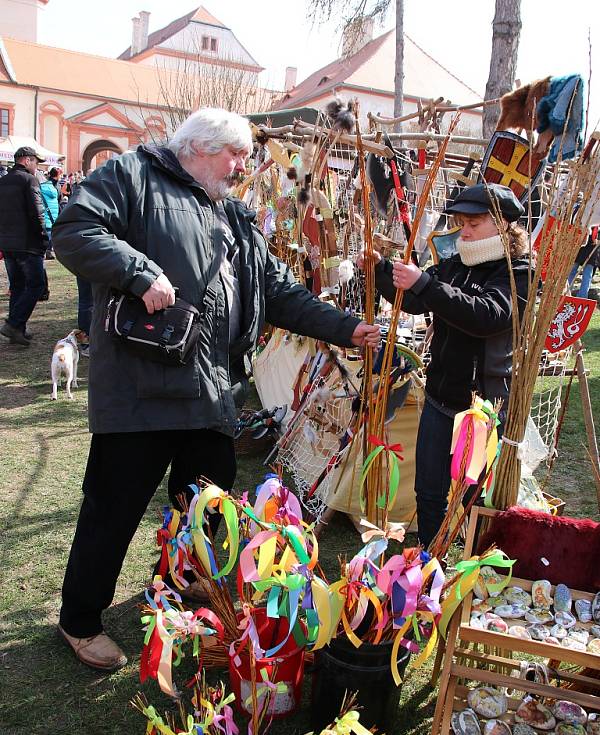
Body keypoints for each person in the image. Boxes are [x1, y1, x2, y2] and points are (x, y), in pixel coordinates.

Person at [52, 107, 380, 671]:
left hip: (209, 392)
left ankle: (178, 588)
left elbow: (278, 293)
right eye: (237, 155)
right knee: (113, 508)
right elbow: (74, 231)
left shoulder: (236, 216)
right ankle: (79, 619)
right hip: (138, 391)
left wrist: (346, 327)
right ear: (199, 146)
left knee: (204, 506)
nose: (243, 166)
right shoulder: (131, 177)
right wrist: (138, 270)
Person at [371, 183, 530, 548]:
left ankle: (474, 571)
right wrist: (381, 270)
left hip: (481, 408)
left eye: (473, 223)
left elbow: (488, 315)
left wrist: (425, 283)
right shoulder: (456, 263)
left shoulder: (517, 271)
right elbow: (414, 301)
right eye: (461, 223)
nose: (465, 231)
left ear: (503, 223)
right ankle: (430, 563)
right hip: (442, 399)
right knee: (428, 491)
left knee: (475, 499)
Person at [0, 145, 49, 345]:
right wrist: (44, 236)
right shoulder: (30, 180)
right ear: (27, 160)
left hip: (8, 243)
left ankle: (17, 329)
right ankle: (14, 324)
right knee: (36, 285)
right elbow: (38, 213)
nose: (37, 166)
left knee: (18, 286)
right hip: (28, 243)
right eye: (35, 162)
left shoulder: (2, 181)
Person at [40, 167, 61, 259]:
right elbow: (58, 199)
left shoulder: (41, 188)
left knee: (45, 234)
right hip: (53, 215)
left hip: (45, 214)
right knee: (50, 233)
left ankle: (44, 251)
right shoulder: (55, 188)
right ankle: (48, 251)